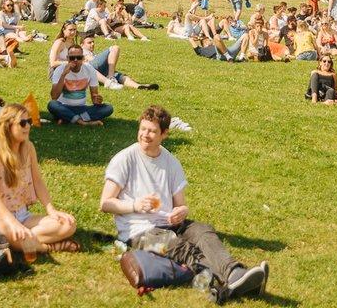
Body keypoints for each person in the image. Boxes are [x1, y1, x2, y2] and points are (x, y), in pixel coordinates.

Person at [100, 105, 270, 299]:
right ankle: (231, 283)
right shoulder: (124, 159)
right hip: (138, 230)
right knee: (181, 248)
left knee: (203, 232)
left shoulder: (171, 162)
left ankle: (235, 273)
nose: (145, 135)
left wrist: (180, 211)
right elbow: (105, 203)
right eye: (143, 129)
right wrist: (135, 205)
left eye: (152, 131)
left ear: (165, 134)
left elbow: (180, 204)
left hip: (169, 223)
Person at [0, 103, 79, 256]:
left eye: (29, 121)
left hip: (22, 215)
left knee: (68, 225)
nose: (28, 126)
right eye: (22, 123)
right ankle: (46, 247)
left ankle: (24, 241)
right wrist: (11, 223)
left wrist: (51, 210)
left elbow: (38, 181)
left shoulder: (28, 148)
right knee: (2, 231)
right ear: (8, 126)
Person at [48, 44, 112, 125]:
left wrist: (98, 100)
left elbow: (94, 97)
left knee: (108, 108)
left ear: (83, 58)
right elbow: (54, 96)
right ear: (67, 58)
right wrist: (63, 75)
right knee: (52, 105)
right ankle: (82, 121)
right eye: (72, 58)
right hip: (63, 107)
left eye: (78, 57)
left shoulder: (89, 69)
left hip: (82, 108)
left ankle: (68, 118)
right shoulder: (60, 70)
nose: (75, 60)